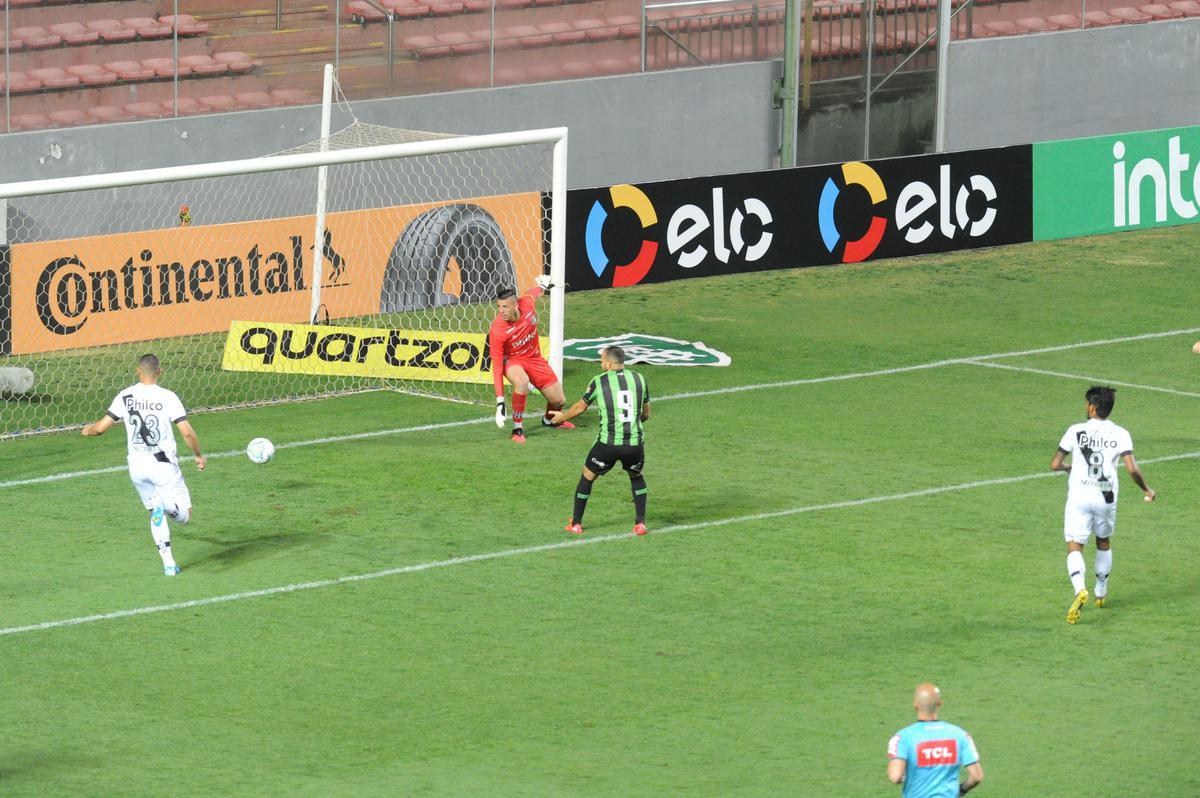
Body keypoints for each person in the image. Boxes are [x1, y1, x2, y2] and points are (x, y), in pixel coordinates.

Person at [82, 353, 206, 575]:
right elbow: (186, 432)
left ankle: (168, 564)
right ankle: (166, 508)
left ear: (138, 371)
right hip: (163, 465)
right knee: (184, 516)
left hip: (137, 468)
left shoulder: (125, 395)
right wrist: (198, 454)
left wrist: (87, 430)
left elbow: (100, 429)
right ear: (160, 372)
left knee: (153, 511)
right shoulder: (168, 397)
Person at [1050, 386, 1155, 624]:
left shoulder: (1075, 431)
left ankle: (1080, 590)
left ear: (1092, 407)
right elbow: (1132, 469)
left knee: (1075, 545)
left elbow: (1055, 464)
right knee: (1103, 542)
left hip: (1079, 496)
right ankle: (1100, 592)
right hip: (1106, 497)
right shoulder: (1121, 433)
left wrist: (1070, 468)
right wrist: (1147, 489)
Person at [549, 345, 650, 536]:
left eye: (602, 360)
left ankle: (576, 523)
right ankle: (640, 523)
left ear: (610, 363)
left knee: (587, 476)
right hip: (634, 444)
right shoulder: (639, 379)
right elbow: (646, 414)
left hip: (608, 445)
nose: (601, 363)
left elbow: (580, 407)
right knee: (636, 476)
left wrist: (561, 418)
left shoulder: (599, 381)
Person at [489, 275, 573, 444]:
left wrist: (542, 284)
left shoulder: (527, 304)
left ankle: (549, 420)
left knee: (559, 400)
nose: (501, 311)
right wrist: (500, 402)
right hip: (513, 361)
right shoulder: (498, 330)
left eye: (505, 306)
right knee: (522, 382)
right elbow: (497, 367)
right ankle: (517, 428)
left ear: (515, 304)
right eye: (499, 307)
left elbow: (533, 292)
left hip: (534, 359)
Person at [887, 683, 983, 797]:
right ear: (940, 703)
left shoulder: (903, 737)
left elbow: (895, 776)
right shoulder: (960, 735)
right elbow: (976, 776)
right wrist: (961, 790)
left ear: (915, 705)